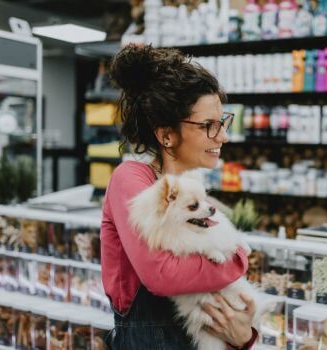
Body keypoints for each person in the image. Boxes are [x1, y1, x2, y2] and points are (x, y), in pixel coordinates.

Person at [100, 45, 259, 350]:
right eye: (208, 126)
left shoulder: (191, 186)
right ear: (166, 135)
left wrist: (242, 337)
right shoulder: (132, 180)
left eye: (222, 122)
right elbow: (162, 274)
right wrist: (237, 259)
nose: (222, 136)